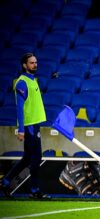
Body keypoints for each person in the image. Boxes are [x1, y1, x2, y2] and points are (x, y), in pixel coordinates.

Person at [0, 53, 49, 198]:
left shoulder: (33, 80)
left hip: (35, 124)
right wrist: (21, 129)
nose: (35, 65)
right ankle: (34, 191)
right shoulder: (22, 82)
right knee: (36, 157)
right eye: (32, 63)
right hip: (29, 126)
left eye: (36, 62)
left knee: (27, 158)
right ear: (24, 65)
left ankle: (6, 181)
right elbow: (19, 108)